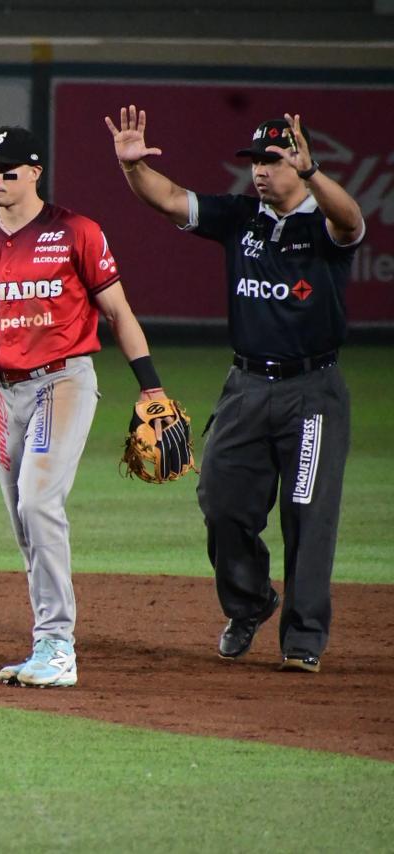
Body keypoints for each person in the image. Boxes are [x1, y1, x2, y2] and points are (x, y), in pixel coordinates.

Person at [0, 125, 178, 688]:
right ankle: (46, 645)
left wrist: (149, 386)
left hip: (63, 380)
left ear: (34, 173)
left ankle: (58, 647)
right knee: (25, 522)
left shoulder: (75, 231)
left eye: (6, 169)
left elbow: (119, 312)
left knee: (39, 502)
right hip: (5, 392)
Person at [104, 107, 365, 673]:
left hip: (312, 393)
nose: (261, 171)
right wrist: (131, 167)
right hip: (245, 386)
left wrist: (315, 171)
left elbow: (351, 221)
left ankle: (303, 639)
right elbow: (171, 198)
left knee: (307, 515)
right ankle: (250, 603)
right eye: (255, 161)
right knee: (219, 501)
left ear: (300, 160)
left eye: (273, 160)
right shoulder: (240, 218)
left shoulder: (322, 225)